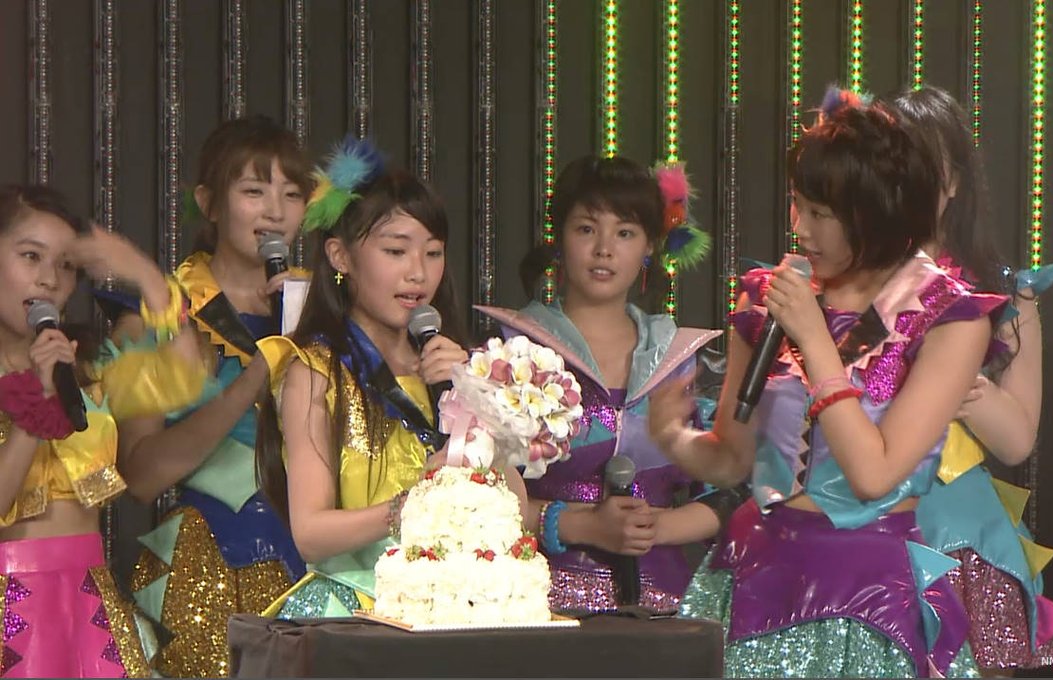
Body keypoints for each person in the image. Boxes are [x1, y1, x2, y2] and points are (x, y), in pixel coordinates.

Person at [648, 88, 1004, 677]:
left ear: (874, 213)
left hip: (871, 591)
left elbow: (873, 475)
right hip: (755, 573)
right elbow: (732, 461)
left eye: (820, 214)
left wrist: (814, 341)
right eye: (797, 205)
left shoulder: (950, 316)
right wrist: (673, 437)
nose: (800, 228)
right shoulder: (769, 297)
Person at [255, 139, 516, 617]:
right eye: (396, 250)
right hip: (353, 613)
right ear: (340, 256)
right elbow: (310, 533)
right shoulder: (315, 371)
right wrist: (416, 501)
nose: (418, 273)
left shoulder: (457, 368)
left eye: (433, 253)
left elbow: (515, 505)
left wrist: (474, 399)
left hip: (455, 607)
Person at [477, 154, 740, 614]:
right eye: (586, 229)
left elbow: (726, 492)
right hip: (535, 605)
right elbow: (475, 494)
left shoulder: (681, 359)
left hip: (667, 609)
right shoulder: (510, 354)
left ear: (649, 246)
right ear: (560, 237)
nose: (604, 249)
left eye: (625, 233)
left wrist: (656, 528)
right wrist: (577, 525)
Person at [106, 116, 312, 677]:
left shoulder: (321, 311)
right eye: (254, 191)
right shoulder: (159, 321)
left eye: (292, 195)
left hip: (322, 565)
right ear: (209, 203)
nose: (275, 212)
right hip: (210, 567)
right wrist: (254, 376)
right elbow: (141, 476)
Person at [888, 85, 1053, 673]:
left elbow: (1017, 441)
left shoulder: (1006, 296)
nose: (909, 185)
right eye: (893, 168)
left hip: (963, 533)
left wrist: (959, 383)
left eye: (927, 168)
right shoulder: (843, 290)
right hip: (861, 525)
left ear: (954, 181)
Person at [0, 184, 206, 677]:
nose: (49, 279)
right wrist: (37, 406)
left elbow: (185, 378)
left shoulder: (89, 368)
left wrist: (147, 278)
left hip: (90, 603)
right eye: (31, 256)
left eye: (67, 265)